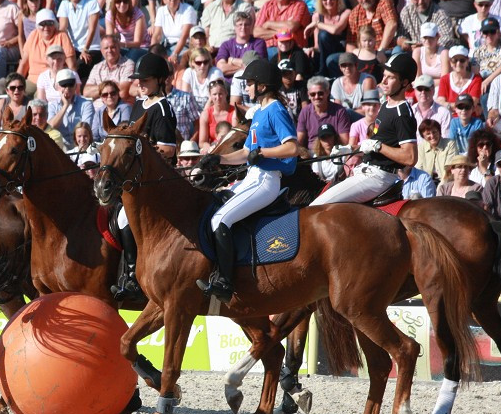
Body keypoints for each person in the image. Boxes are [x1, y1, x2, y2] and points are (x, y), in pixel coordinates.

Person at [195, 58, 298, 303]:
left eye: (250, 83)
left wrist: (262, 153)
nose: (247, 88)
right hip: (251, 177)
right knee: (215, 205)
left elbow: (292, 148)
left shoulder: (276, 110)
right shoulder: (259, 113)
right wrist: (217, 159)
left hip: (267, 180)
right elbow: (244, 154)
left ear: (263, 85)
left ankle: (225, 281)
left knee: (220, 220)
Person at [309, 53, 419, 205]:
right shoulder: (386, 104)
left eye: (391, 77)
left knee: (316, 206)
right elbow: (374, 144)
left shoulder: (402, 113)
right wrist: (350, 149)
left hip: (379, 176)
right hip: (366, 169)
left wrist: (379, 146)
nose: (384, 81)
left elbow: (411, 157)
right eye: (384, 75)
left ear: (405, 82)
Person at [111, 52, 178, 301]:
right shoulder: (139, 104)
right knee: (115, 217)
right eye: (139, 79)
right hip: (135, 180)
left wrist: (145, 152)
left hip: (157, 180)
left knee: (125, 220)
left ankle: (132, 276)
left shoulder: (162, 107)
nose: (140, 83)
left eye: (146, 79)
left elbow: (168, 148)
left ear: (160, 80)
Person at [297, 76, 351, 147]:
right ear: (308, 95)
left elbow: (345, 141)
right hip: (312, 154)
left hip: (334, 153)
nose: (316, 97)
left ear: (328, 92)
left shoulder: (340, 111)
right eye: (313, 94)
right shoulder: (305, 112)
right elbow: (299, 141)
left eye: (320, 93)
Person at [47, 68, 94, 146]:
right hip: (60, 148)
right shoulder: (52, 105)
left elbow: (86, 129)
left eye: (70, 84)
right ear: (57, 87)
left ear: (75, 86)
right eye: (64, 85)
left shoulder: (86, 104)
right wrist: (65, 106)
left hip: (81, 145)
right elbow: (51, 127)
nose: (67, 88)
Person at [416, 118, 457, 183]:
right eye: (428, 134)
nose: (432, 136)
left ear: (439, 132)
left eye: (434, 132)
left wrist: (440, 188)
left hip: (446, 182)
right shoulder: (421, 147)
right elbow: (418, 169)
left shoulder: (450, 144)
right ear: (423, 136)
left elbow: (449, 170)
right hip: (427, 182)